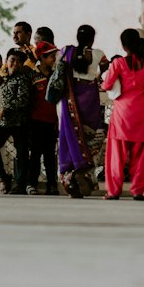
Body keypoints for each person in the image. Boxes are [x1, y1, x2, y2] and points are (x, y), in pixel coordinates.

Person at [102, 28, 144, 200]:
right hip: (141, 112)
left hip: (121, 113)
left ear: (123, 45)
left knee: (117, 154)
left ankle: (113, 191)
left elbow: (106, 85)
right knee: (141, 154)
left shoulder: (118, 63)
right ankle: (138, 191)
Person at [55, 24, 105, 198]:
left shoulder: (65, 51)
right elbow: (107, 70)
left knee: (69, 138)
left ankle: (71, 180)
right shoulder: (99, 54)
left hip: (70, 100)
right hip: (90, 99)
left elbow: (57, 70)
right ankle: (83, 172)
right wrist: (97, 78)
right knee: (93, 138)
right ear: (92, 38)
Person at [0, 48, 32, 193]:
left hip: (19, 122)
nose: (15, 63)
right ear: (6, 62)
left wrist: (5, 108)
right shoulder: (3, 78)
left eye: (19, 61)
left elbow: (23, 100)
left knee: (21, 153)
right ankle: (2, 176)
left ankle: (20, 184)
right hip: (4, 122)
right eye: (12, 60)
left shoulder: (23, 79)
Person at [27, 41, 61, 195]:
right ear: (42, 57)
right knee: (35, 154)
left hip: (53, 122)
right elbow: (29, 100)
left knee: (50, 156)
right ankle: (31, 184)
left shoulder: (57, 75)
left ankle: (52, 185)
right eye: (51, 56)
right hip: (36, 121)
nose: (54, 59)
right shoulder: (33, 77)